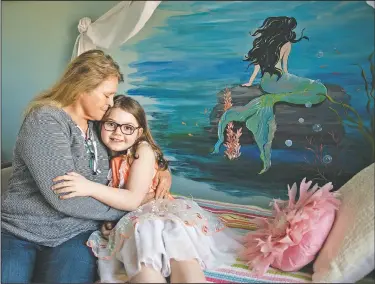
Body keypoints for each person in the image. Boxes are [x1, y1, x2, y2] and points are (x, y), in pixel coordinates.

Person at [1, 50, 172, 283]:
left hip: (75, 233)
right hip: (22, 230)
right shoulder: (45, 121)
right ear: (82, 87)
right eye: (107, 95)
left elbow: (133, 145)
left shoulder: (98, 126)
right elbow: (64, 196)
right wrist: (132, 204)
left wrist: (162, 170)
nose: (110, 103)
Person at [51, 95, 244, 283]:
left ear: (139, 132)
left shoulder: (141, 151)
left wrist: (88, 187)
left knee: (178, 249)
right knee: (145, 256)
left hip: (157, 213)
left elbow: (133, 199)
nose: (118, 132)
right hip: (134, 218)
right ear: (101, 124)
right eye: (111, 124)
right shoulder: (102, 155)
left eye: (128, 128)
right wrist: (108, 218)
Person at [212, 16, 327, 174]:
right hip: (280, 79)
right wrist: (291, 83)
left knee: (274, 92)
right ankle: (278, 97)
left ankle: (272, 97)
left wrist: (250, 82)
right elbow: (285, 69)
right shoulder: (287, 44)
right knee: (319, 89)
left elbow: (257, 67)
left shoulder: (265, 43)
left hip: (266, 83)